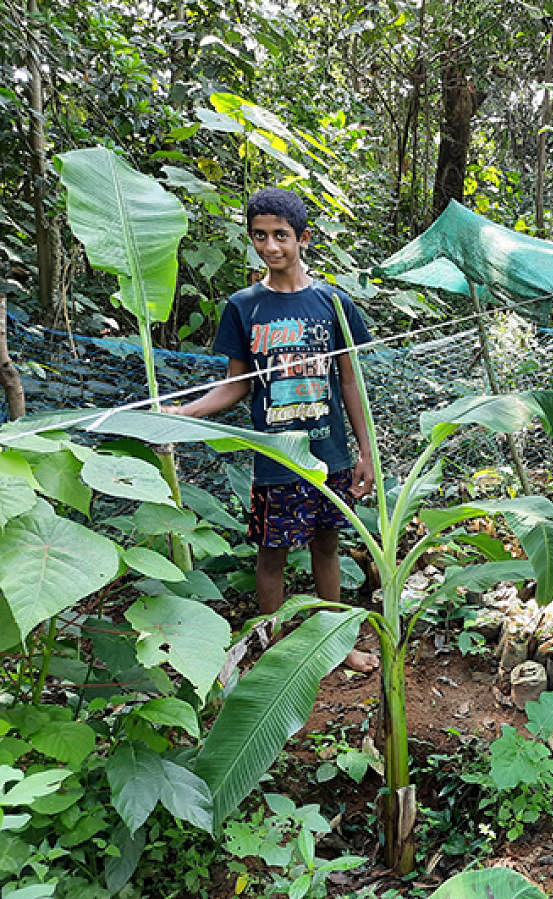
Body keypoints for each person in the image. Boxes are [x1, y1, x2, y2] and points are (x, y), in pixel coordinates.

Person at [171, 188, 379, 673]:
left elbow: (349, 382)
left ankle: (337, 642)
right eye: (260, 237)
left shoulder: (333, 302)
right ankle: (274, 652)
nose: (270, 247)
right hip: (276, 458)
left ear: (303, 238)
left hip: (329, 454)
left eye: (281, 236)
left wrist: (365, 453)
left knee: (327, 545)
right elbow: (235, 387)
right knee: (272, 554)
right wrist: (189, 413)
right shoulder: (244, 307)